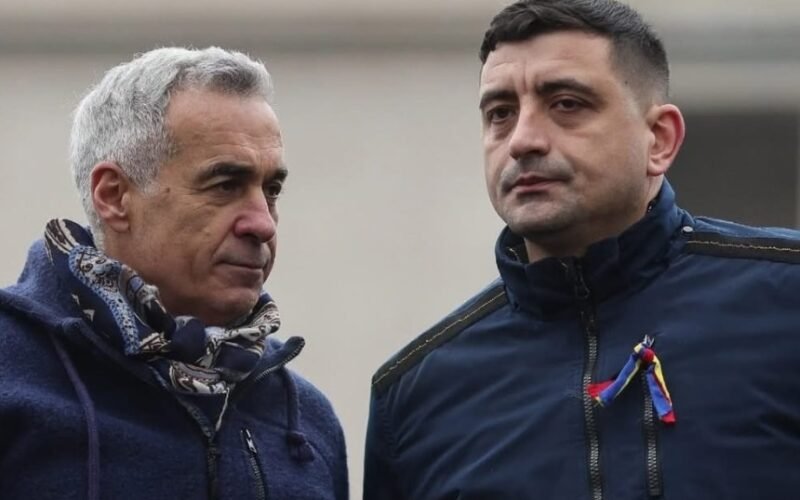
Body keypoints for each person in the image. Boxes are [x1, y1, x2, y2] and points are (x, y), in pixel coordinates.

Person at [364, 1, 800, 498]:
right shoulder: (417, 396)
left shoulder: (787, 303)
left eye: (567, 104)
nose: (523, 140)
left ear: (659, 139)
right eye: (500, 114)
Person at [0, 47, 348, 500]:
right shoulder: (12, 372)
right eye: (225, 185)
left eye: (272, 190)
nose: (263, 223)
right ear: (114, 196)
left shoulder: (306, 420)